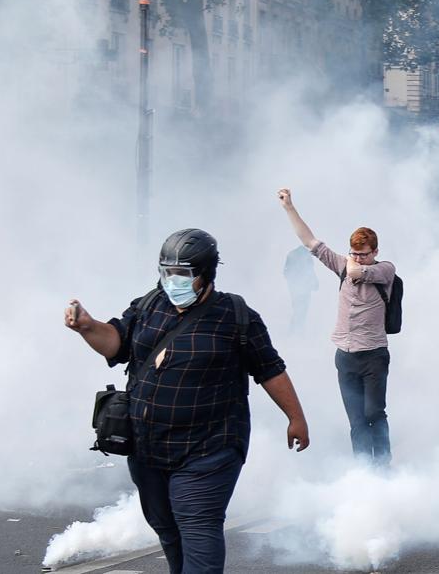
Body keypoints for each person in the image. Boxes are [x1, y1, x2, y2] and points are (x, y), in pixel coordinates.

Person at [65, 228, 309, 574]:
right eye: (167, 272)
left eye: (183, 274)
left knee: (198, 525)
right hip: (148, 448)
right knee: (166, 528)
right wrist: (87, 326)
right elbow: (116, 343)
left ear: (206, 275)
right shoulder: (149, 305)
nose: (172, 281)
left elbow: (270, 369)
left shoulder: (236, 316)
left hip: (209, 449)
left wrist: (295, 417)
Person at [276, 188, 396, 467]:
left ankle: (384, 465)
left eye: (364, 254)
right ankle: (364, 469)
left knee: (374, 413)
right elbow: (309, 241)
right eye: (353, 253)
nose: (357, 258)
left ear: (375, 252)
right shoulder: (343, 264)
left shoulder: (385, 270)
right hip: (346, 354)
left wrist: (356, 265)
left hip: (374, 355)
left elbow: (359, 272)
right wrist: (289, 208)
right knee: (356, 419)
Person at [283, 244, 318, 335]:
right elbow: (310, 271)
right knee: (301, 311)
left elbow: (286, 273)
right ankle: (295, 333)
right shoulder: (305, 255)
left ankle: (296, 332)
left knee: (298, 310)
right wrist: (314, 283)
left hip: (297, 288)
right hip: (302, 288)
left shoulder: (293, 254)